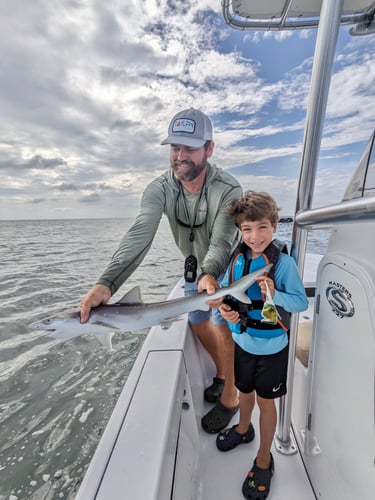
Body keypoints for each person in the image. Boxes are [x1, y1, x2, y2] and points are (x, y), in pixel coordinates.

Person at [79, 108, 242, 433]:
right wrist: (107, 283)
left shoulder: (229, 189)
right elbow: (140, 232)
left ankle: (231, 397)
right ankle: (223, 372)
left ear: (209, 149)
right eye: (174, 147)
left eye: (190, 148)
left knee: (223, 328)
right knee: (197, 322)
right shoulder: (158, 189)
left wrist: (211, 274)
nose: (180, 156)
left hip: (227, 266)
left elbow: (223, 241)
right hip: (195, 271)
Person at [211, 190, 308, 500]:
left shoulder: (283, 264)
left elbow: (299, 301)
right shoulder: (237, 258)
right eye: (247, 229)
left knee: (267, 403)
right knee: (244, 393)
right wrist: (227, 313)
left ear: (275, 226)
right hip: (242, 342)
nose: (255, 236)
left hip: (272, 349)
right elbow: (228, 296)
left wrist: (274, 293)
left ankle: (264, 459)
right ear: (240, 230)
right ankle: (243, 429)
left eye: (262, 227)